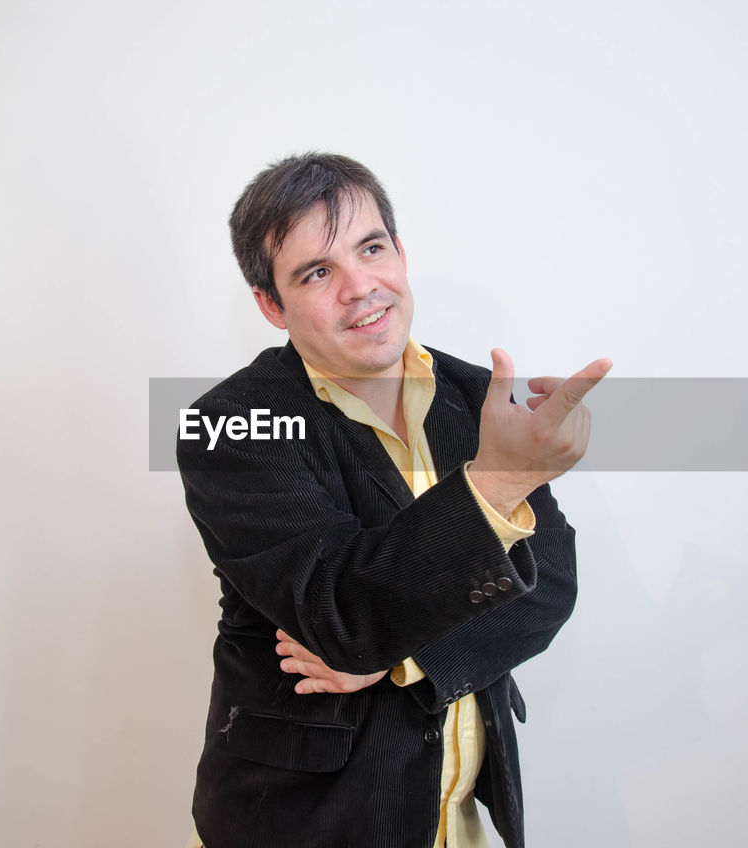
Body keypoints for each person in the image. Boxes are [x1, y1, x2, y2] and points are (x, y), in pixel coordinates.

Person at [178, 152, 610, 848]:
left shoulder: (477, 397)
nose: (360, 287)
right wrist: (500, 482)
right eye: (317, 272)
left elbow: (550, 583)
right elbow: (339, 614)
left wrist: (402, 656)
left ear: (401, 253)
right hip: (304, 826)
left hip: (456, 816)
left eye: (371, 248)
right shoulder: (233, 424)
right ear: (270, 303)